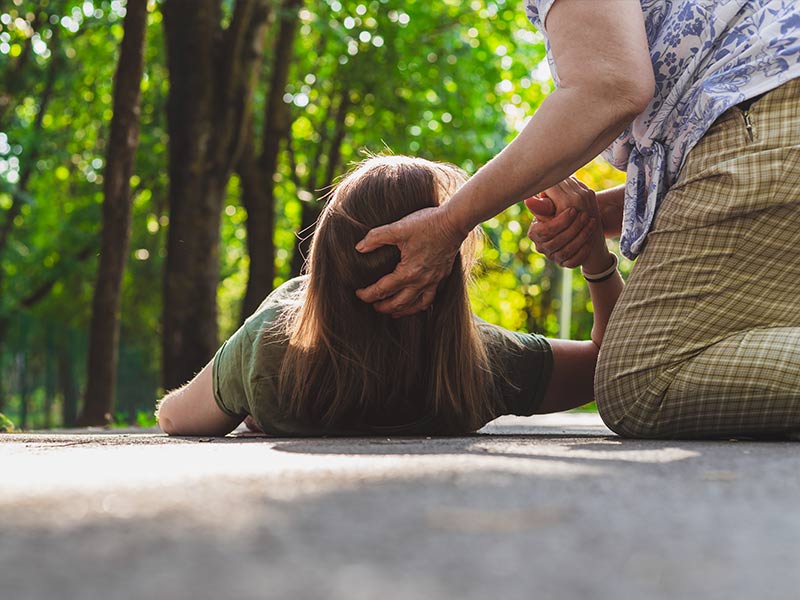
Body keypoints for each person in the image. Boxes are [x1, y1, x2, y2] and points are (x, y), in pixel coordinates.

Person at [353, 1, 800, 439]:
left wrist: (452, 221)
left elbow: (609, 85)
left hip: (768, 108)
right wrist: (596, 223)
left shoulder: (485, 361)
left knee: (642, 383)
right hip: (771, 107)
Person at [156, 156, 622, 437]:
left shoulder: (271, 348)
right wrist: (597, 262)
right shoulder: (481, 363)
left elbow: (175, 418)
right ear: (444, 271)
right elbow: (610, 365)